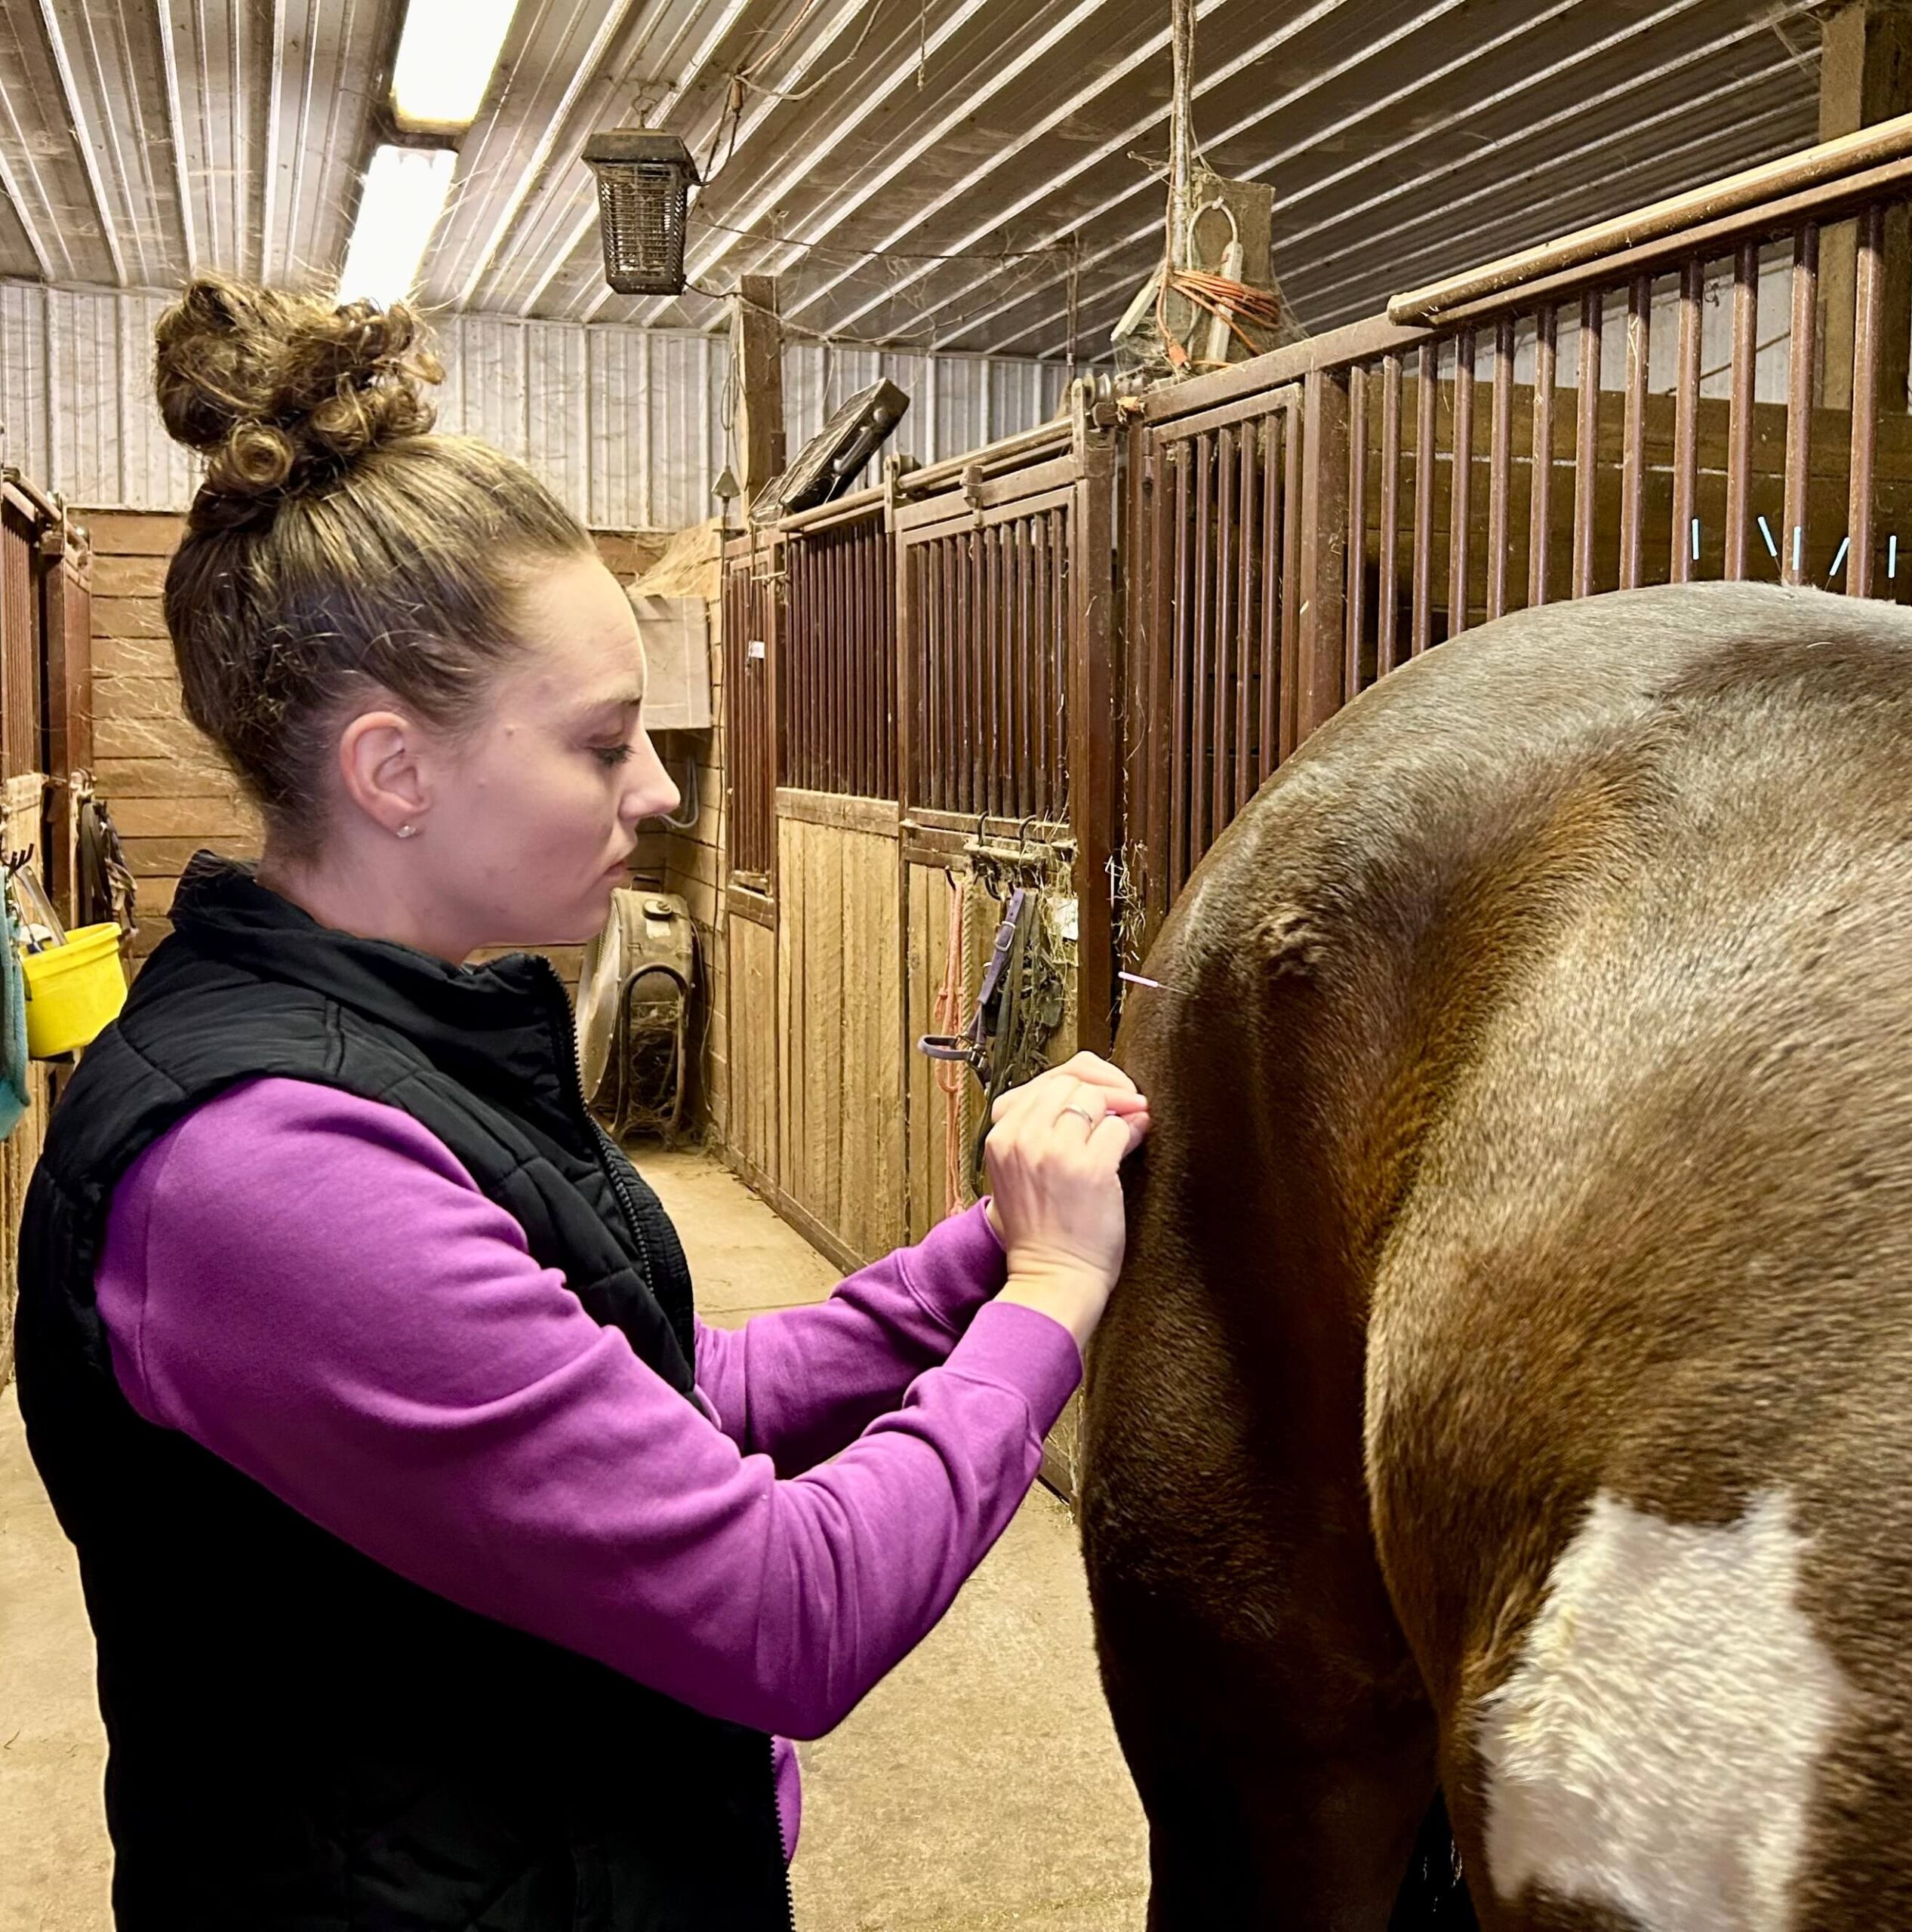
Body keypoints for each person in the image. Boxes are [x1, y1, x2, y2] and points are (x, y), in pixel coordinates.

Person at [14, 277, 1150, 1931]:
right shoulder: (265, 1168)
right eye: (602, 741)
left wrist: (969, 1255)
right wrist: (1051, 1299)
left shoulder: (406, 1043)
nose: (660, 788)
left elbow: (642, 1394)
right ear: (394, 771)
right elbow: (788, 1603)